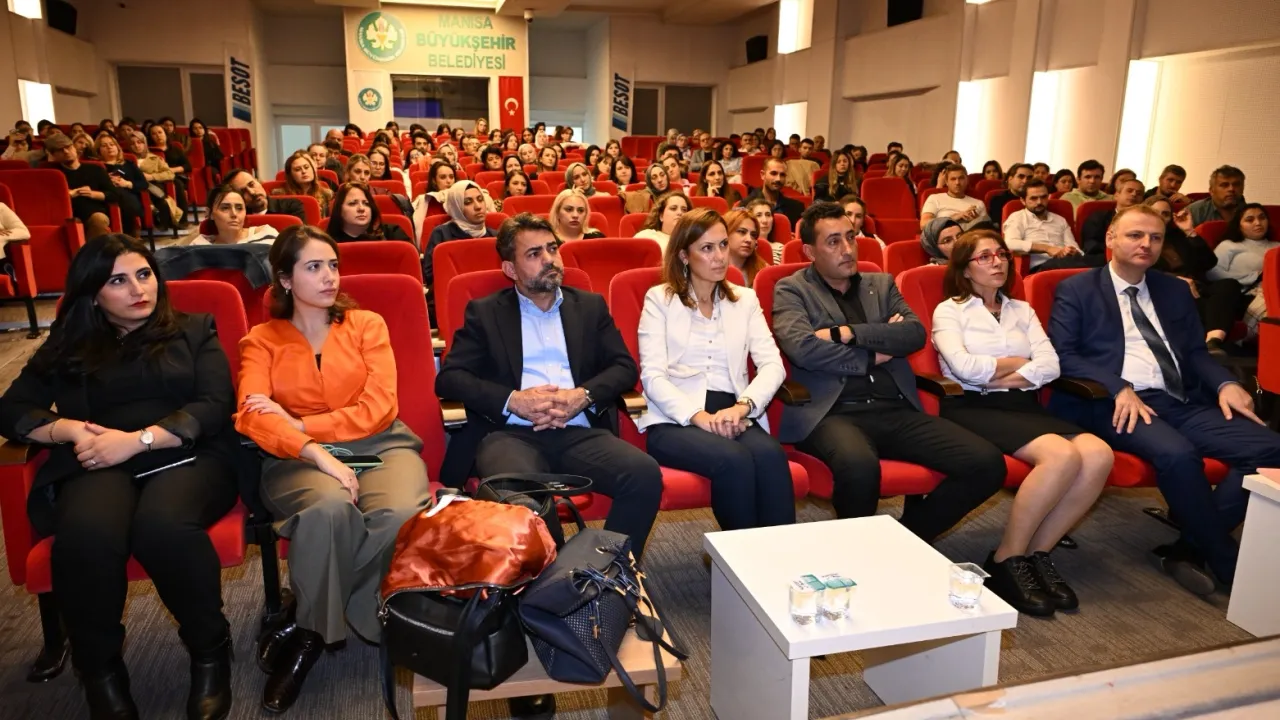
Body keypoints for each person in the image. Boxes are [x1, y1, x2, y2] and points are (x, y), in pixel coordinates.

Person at [0, 234, 240, 719]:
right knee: (87, 535)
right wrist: (67, 429)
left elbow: (215, 405)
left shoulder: (194, 329)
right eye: (118, 281)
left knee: (164, 527)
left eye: (144, 274)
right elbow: (11, 408)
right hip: (97, 460)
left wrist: (138, 440)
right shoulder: (69, 343)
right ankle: (100, 673)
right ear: (92, 294)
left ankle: (210, 652)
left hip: (185, 454)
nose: (138, 289)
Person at [236, 225, 430, 712]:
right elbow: (252, 416)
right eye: (313, 267)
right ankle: (311, 637)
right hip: (298, 459)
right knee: (328, 512)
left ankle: (306, 619)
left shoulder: (366, 325)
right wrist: (313, 449)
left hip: (379, 446)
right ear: (285, 279)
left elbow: (379, 406)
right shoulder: (260, 340)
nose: (329, 277)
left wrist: (300, 421)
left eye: (333, 265)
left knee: (400, 512)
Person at [1049, 204, 1280, 596]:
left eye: (1155, 237)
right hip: (1114, 402)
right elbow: (1063, 354)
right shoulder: (1077, 289)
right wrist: (1117, 385)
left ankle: (1189, 548)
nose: (1147, 244)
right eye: (1135, 235)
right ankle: (1228, 562)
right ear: (1111, 238)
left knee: (1271, 450)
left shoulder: (1173, 289)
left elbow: (1195, 352)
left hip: (1180, 398)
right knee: (1179, 456)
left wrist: (1225, 384)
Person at [772, 202, 1007, 539]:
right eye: (834, 241)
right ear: (809, 251)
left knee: (987, 463)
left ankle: (908, 539)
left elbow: (913, 334)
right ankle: (858, 554)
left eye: (850, 237)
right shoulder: (792, 289)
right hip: (833, 414)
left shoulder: (881, 284)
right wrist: (873, 354)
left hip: (895, 408)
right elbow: (803, 348)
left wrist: (847, 333)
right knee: (859, 468)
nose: (847, 249)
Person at [435, 213, 663, 554]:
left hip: (579, 431)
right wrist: (513, 400)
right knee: (521, 497)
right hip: (510, 435)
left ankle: (605, 567)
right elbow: (451, 379)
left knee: (644, 474)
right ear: (510, 269)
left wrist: (583, 395)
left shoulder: (589, 306)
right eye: (534, 254)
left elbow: (624, 368)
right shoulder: (485, 313)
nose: (549, 259)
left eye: (552, 249)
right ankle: (558, 577)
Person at [932, 230, 1113, 615]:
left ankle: (1037, 553)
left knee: (1099, 454)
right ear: (965, 269)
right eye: (984, 257)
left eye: (1001, 254)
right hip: (973, 407)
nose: (997, 261)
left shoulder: (1022, 310)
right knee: (1062, 456)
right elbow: (964, 370)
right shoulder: (949, 311)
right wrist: (1019, 363)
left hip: (1021, 404)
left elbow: (1051, 366)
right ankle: (1006, 558)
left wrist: (1003, 377)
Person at [637, 208, 793, 531]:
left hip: (733, 412)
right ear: (684, 255)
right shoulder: (659, 299)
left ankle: (778, 554)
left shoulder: (745, 300)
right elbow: (652, 376)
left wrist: (743, 407)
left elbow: (772, 365)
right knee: (734, 460)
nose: (720, 256)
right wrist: (699, 416)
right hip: (675, 418)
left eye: (723, 245)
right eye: (707, 248)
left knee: (771, 456)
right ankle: (742, 556)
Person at [1204, 204, 1276, 349]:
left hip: (1273, 295)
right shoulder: (1229, 245)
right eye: (1250, 220)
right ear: (1239, 225)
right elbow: (1212, 273)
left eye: (1262, 218)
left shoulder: (1277, 246)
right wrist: (1251, 277)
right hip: (1243, 297)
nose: (1258, 223)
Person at [1003, 179, 1088, 272]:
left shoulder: (1060, 220)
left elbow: (1074, 247)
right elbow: (1009, 243)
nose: (1039, 202)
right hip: (1040, 267)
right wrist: (1047, 248)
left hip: (1067, 262)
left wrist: (1072, 251)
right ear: (1023, 200)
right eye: (1033, 198)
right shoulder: (1017, 217)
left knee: (1093, 262)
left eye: (1043, 197)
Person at [422, 180, 495, 287]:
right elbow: (431, 277)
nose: (478, 206)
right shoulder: (441, 234)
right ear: (457, 207)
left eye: (480, 199)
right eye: (468, 202)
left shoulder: (495, 236)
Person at [44, 133, 115, 240]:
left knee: (99, 219)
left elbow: (114, 195)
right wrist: (68, 194)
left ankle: (91, 250)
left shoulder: (95, 169)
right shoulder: (52, 174)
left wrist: (92, 194)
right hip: (65, 215)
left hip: (93, 213)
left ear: (74, 148)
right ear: (53, 155)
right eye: (60, 150)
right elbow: (46, 199)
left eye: (68, 147)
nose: (66, 152)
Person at [95, 134, 147, 237]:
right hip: (107, 199)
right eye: (104, 145)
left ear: (117, 147)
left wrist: (127, 183)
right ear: (98, 150)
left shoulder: (128, 164)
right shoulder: (96, 167)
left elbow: (144, 183)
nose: (109, 147)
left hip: (128, 195)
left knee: (124, 195)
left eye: (112, 144)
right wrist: (105, 180)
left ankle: (130, 234)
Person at [325, 182, 411, 244]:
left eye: (366, 203)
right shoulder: (327, 243)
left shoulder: (393, 233)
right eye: (353, 203)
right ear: (339, 210)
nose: (361, 208)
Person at [1079, 177, 1145, 257]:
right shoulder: (1098, 217)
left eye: (1139, 193)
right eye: (1129, 191)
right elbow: (1091, 245)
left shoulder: (1145, 222)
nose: (1134, 194)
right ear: (1116, 195)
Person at [193, 187, 280, 245]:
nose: (234, 214)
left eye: (239, 208)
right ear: (210, 213)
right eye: (225, 208)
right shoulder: (200, 245)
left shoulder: (265, 235)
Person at [223, 169, 306, 224]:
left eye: (251, 184)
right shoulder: (237, 218)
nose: (252, 192)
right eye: (243, 191)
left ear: (258, 182)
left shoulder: (292, 206)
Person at [921, 165, 989, 231]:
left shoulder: (978, 203)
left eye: (961, 178)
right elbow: (923, 225)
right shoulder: (934, 198)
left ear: (967, 180)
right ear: (946, 182)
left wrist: (976, 220)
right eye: (953, 179)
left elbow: (987, 230)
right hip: (945, 232)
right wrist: (953, 218)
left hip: (971, 233)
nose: (957, 183)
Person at [745, 157, 804, 228]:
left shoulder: (797, 208)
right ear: (763, 175)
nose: (778, 179)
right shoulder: (746, 205)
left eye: (782, 175)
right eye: (773, 173)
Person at [274, 150, 334, 219]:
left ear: (313, 169)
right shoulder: (280, 195)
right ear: (290, 175)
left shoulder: (327, 195)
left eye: (306, 167)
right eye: (297, 169)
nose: (304, 171)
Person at [723, 208, 767, 286]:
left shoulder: (764, 272)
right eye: (742, 232)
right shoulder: (709, 270)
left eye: (753, 235)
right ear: (726, 233)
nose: (749, 240)